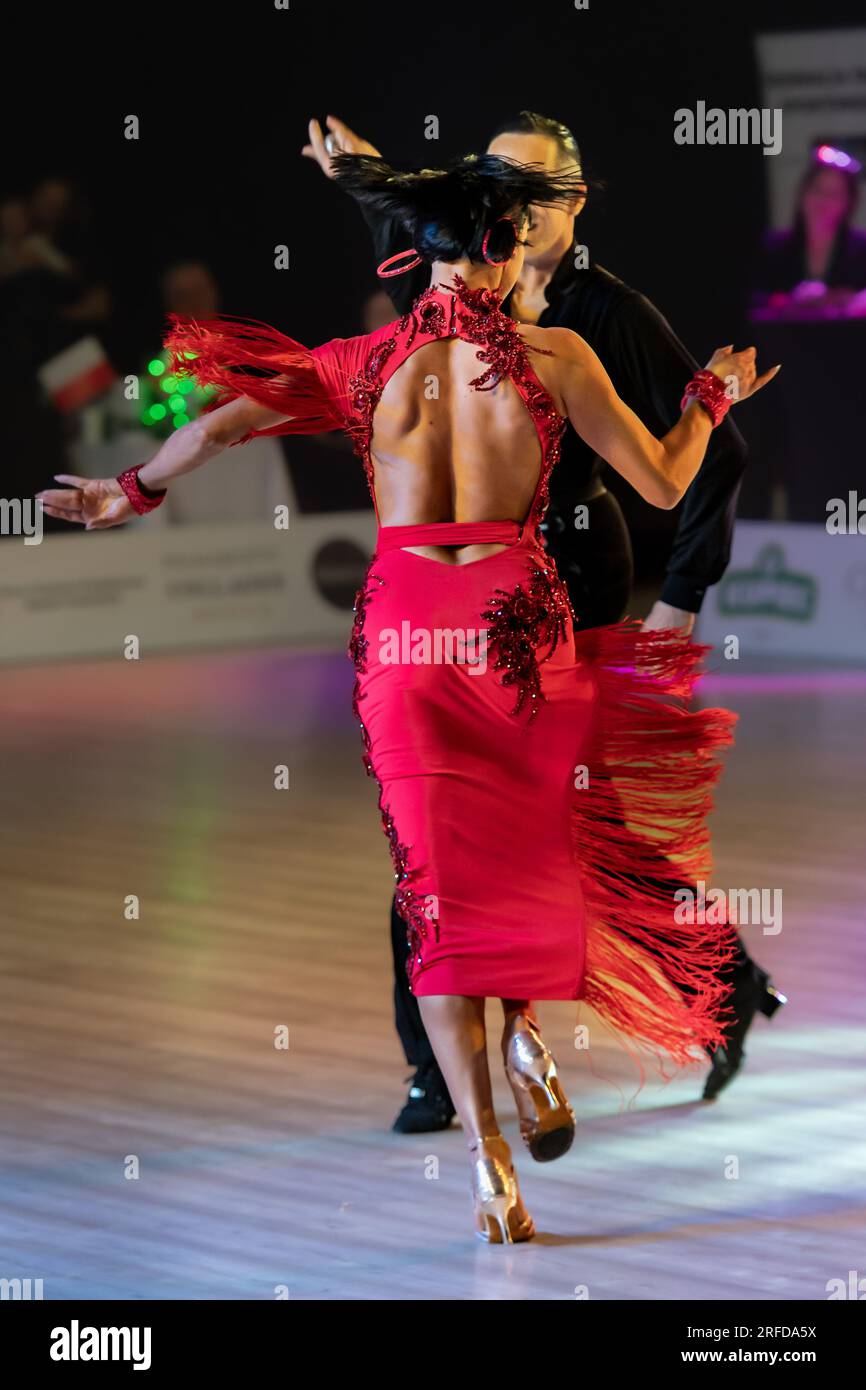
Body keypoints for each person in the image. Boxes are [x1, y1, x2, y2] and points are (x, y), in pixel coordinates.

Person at [38, 152, 778, 1243]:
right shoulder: (553, 352)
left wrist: (130, 489)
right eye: (520, 242)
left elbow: (230, 420)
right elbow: (667, 478)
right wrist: (710, 395)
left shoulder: (364, 358)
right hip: (511, 624)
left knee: (432, 885)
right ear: (493, 251)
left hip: (400, 632)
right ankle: (524, 1040)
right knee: (524, 855)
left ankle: (487, 1161)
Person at [302, 112, 786, 1126]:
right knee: (447, 831)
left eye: (526, 192)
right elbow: (411, 218)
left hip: (564, 589)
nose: (503, 207)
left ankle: (687, 983)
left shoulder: (604, 316)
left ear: (571, 204)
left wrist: (682, 599)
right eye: (490, 186)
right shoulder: (460, 272)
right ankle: (445, 1069)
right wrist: (354, 176)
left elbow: (710, 454)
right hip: (450, 607)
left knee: (549, 829)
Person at [753, 144, 866, 314]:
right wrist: (788, 302)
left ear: (848, 203)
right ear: (803, 194)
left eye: (834, 194)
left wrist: (845, 300)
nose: (823, 202)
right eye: (817, 190)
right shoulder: (772, 246)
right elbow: (753, 297)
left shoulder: (862, 249)